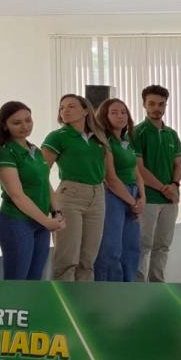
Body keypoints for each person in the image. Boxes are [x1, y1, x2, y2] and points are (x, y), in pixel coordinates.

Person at [41, 94, 111, 282]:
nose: (65, 110)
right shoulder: (57, 136)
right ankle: (64, 298)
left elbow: (107, 171)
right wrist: (53, 206)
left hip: (97, 195)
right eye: (62, 107)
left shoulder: (98, 137)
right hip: (70, 195)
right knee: (67, 257)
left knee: (88, 259)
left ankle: (84, 298)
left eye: (71, 106)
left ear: (85, 110)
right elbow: (40, 173)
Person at [0, 102, 64, 280]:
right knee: (17, 282)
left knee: (35, 281)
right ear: (4, 126)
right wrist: (47, 222)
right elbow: (16, 195)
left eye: (28, 120)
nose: (25, 126)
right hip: (16, 222)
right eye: (16, 122)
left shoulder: (35, 150)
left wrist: (57, 212)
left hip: (40, 223)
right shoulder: (3, 153)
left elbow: (45, 184)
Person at [134, 84, 181, 282]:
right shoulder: (137, 133)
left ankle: (157, 283)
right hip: (148, 199)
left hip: (170, 200)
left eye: (161, 104)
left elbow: (178, 165)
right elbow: (139, 168)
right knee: (143, 245)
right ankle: (138, 286)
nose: (157, 108)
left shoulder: (171, 134)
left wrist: (174, 185)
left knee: (163, 246)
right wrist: (163, 188)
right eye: (152, 104)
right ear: (144, 104)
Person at [93, 98, 146, 282]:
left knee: (131, 247)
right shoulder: (104, 142)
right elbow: (111, 178)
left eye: (123, 112)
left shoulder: (126, 141)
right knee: (111, 248)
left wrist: (142, 198)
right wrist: (132, 203)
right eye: (114, 112)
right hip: (113, 196)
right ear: (105, 116)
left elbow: (136, 172)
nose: (120, 116)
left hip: (133, 194)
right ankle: (109, 288)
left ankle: (129, 286)